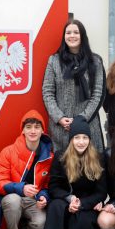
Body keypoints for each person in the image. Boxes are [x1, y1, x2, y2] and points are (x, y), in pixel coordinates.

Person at [40, 116, 107, 229]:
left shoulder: (98, 158)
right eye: (77, 137)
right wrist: (70, 199)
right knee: (55, 207)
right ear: (71, 139)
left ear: (89, 139)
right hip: (66, 199)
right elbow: (54, 187)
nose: (81, 142)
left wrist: (81, 204)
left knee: (80, 221)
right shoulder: (61, 157)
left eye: (85, 138)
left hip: (87, 203)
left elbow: (101, 192)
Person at [0, 109, 54, 229]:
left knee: (42, 224)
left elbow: (48, 185)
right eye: (28, 127)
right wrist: (21, 188)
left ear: (42, 131)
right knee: (13, 200)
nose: (33, 131)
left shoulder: (49, 157)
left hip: (34, 200)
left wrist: (44, 196)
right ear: (23, 131)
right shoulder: (8, 152)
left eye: (37, 127)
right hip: (14, 196)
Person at [42, 18, 106, 153]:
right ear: (64, 36)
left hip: (88, 127)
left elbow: (98, 94)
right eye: (68, 32)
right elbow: (47, 92)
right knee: (63, 170)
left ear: (82, 35)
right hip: (61, 129)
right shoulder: (53, 61)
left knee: (90, 169)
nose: (72, 36)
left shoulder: (95, 61)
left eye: (76, 32)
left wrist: (81, 119)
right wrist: (59, 117)